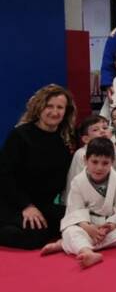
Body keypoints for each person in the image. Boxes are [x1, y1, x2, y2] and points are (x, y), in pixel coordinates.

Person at [0, 84, 76, 249]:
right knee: (35, 237)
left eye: (60, 107)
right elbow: (4, 175)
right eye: (49, 106)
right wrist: (26, 206)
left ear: (66, 111)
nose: (54, 112)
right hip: (13, 203)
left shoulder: (66, 140)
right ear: (39, 107)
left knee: (73, 221)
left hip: (43, 205)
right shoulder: (20, 135)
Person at [40, 138, 116, 268]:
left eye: (105, 163)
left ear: (112, 162)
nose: (99, 167)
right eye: (94, 162)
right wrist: (88, 228)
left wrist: (110, 226)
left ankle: (67, 244)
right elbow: (74, 211)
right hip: (85, 225)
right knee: (70, 231)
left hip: (106, 225)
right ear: (85, 160)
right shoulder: (78, 181)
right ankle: (87, 252)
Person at [64, 114, 112, 200]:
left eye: (105, 128)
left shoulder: (113, 151)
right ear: (86, 139)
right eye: (95, 129)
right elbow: (77, 183)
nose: (102, 131)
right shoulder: (81, 154)